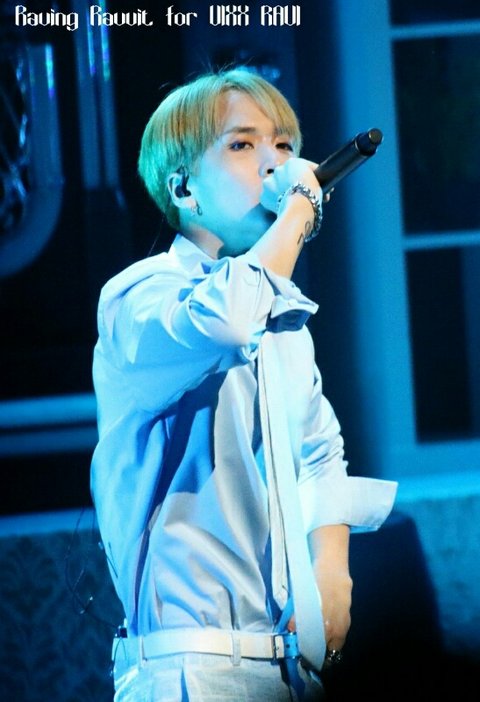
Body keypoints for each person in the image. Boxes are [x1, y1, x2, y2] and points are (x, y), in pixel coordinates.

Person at [90, 69, 397, 701]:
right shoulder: (141, 295)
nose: (276, 164)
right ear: (184, 188)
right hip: (192, 666)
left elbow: (319, 452)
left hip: (290, 667)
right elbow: (225, 321)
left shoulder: (282, 318)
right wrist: (300, 207)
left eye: (284, 145)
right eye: (242, 144)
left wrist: (332, 572)